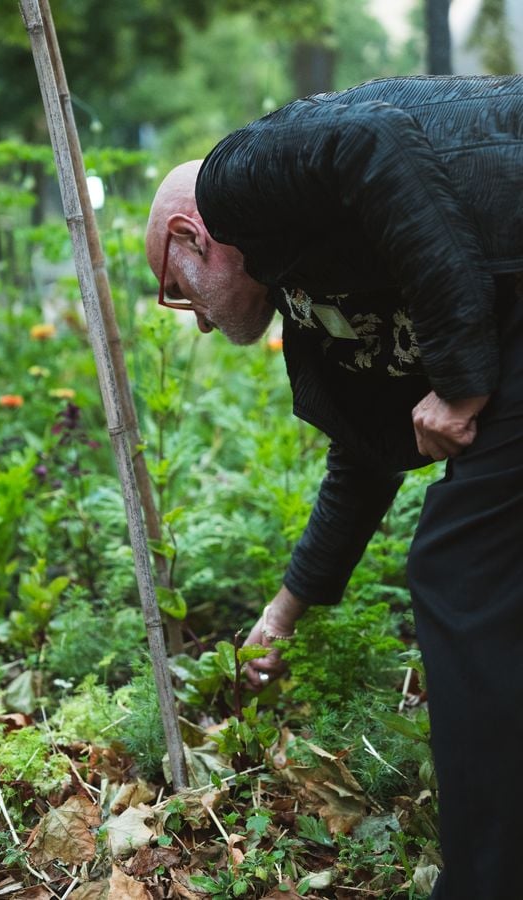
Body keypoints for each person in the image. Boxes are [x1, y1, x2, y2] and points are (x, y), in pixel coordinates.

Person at [145, 74, 523, 900]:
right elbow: (364, 455)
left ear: (191, 233)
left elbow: (374, 140)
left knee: (464, 573)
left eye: (178, 292)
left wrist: (459, 380)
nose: (200, 321)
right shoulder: (311, 289)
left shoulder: (236, 178)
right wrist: (283, 613)